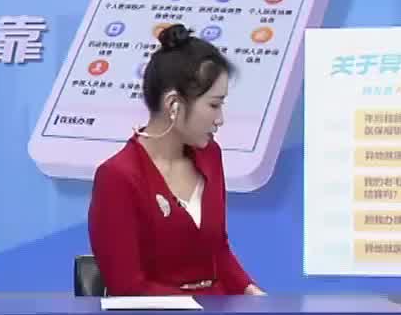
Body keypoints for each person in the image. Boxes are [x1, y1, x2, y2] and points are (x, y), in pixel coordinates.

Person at [86, 24, 266, 296]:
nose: (220, 119)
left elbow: (217, 250)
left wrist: (249, 291)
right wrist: (198, 310)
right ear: (174, 104)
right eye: (214, 105)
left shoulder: (210, 156)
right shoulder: (118, 176)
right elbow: (128, 286)